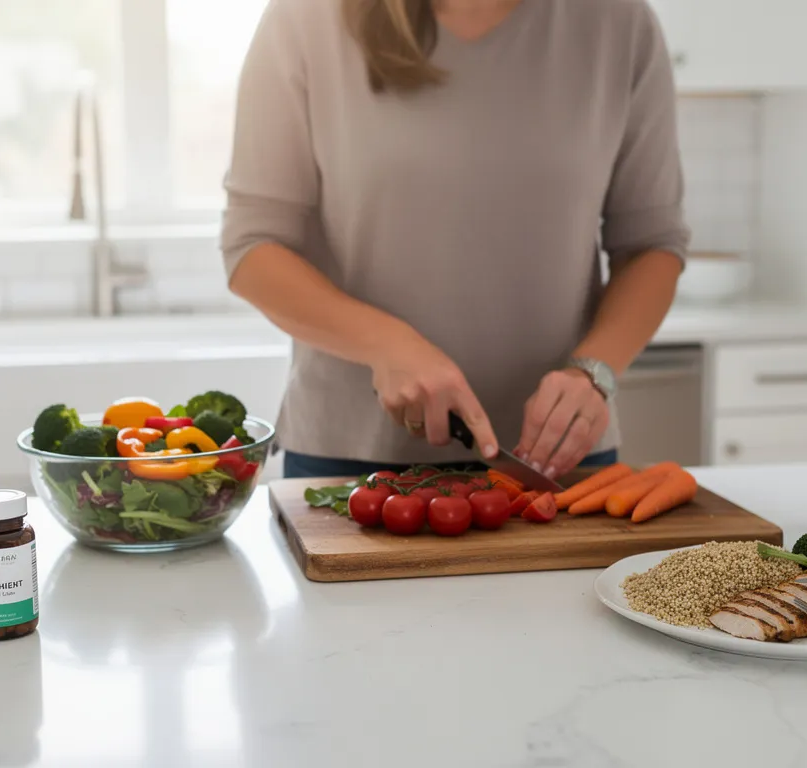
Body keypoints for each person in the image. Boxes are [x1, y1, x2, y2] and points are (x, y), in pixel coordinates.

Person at [221, 0, 689, 480]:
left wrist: (595, 372)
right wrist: (386, 344)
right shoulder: (306, 19)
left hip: (561, 458)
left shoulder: (618, 22)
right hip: (351, 458)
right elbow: (254, 246)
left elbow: (651, 244)